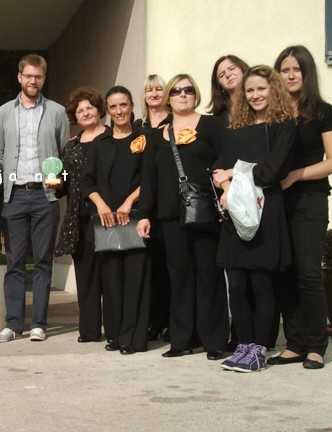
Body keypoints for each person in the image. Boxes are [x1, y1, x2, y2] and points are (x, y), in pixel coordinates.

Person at [137, 74, 229, 360]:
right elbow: (149, 178)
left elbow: (224, 159)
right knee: (179, 278)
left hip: (203, 212)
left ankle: (213, 340)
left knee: (209, 276)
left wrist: (223, 186)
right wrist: (144, 214)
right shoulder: (158, 135)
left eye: (188, 90)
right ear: (169, 98)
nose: (182, 94)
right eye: (176, 91)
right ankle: (182, 339)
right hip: (170, 216)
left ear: (196, 94)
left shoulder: (212, 126)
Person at [212, 65, 296, 372]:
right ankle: (243, 346)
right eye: (249, 90)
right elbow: (219, 168)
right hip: (236, 212)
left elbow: (271, 172)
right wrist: (225, 186)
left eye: (261, 88)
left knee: (261, 284)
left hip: (266, 211)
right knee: (236, 284)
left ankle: (259, 348)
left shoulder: (284, 126)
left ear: (274, 89)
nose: (255, 95)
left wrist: (234, 173)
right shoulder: (235, 128)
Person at [270, 45, 332, 370]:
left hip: (310, 200)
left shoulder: (324, 112)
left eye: (296, 69)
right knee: (284, 272)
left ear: (306, 73)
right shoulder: (273, 113)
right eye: (284, 70)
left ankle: (316, 345)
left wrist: (296, 175)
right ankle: (295, 343)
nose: (290, 75)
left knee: (309, 273)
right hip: (277, 202)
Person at [0, 54, 70, 343]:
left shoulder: (57, 112)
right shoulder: (3, 112)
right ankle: (13, 324)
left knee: (42, 262)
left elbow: (63, 153)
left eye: (38, 76)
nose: (33, 80)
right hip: (14, 195)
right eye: (28, 76)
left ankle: (39, 323)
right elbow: (0, 155)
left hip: (44, 197)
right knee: (14, 262)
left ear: (43, 79)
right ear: (19, 77)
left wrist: (57, 180)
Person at [82, 86, 150, 354]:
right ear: (107, 111)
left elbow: (151, 178)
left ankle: (132, 339)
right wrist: (101, 204)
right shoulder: (101, 143)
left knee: (135, 280)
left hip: (135, 218)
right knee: (111, 281)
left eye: (123, 105)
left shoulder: (144, 139)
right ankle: (114, 335)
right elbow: (87, 181)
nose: (119, 111)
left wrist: (129, 201)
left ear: (132, 106)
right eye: (113, 107)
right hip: (107, 221)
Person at [54, 87, 108, 343]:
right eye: (80, 110)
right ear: (75, 116)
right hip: (79, 218)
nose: (85, 113)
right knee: (85, 276)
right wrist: (55, 184)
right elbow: (63, 183)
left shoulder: (112, 138)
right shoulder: (71, 146)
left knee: (110, 275)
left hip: (108, 216)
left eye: (89, 108)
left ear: (99, 110)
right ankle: (89, 330)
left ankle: (115, 330)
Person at [134, 74, 172, 342]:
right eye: (149, 90)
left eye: (159, 89)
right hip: (142, 205)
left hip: (167, 203)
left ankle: (170, 321)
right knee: (150, 268)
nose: (154, 94)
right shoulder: (139, 126)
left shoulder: (175, 123)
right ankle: (152, 321)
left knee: (169, 266)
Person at [208, 55, 249, 121]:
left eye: (232, 69)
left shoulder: (258, 100)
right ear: (219, 86)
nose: (227, 74)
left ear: (242, 68)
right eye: (221, 75)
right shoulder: (219, 117)